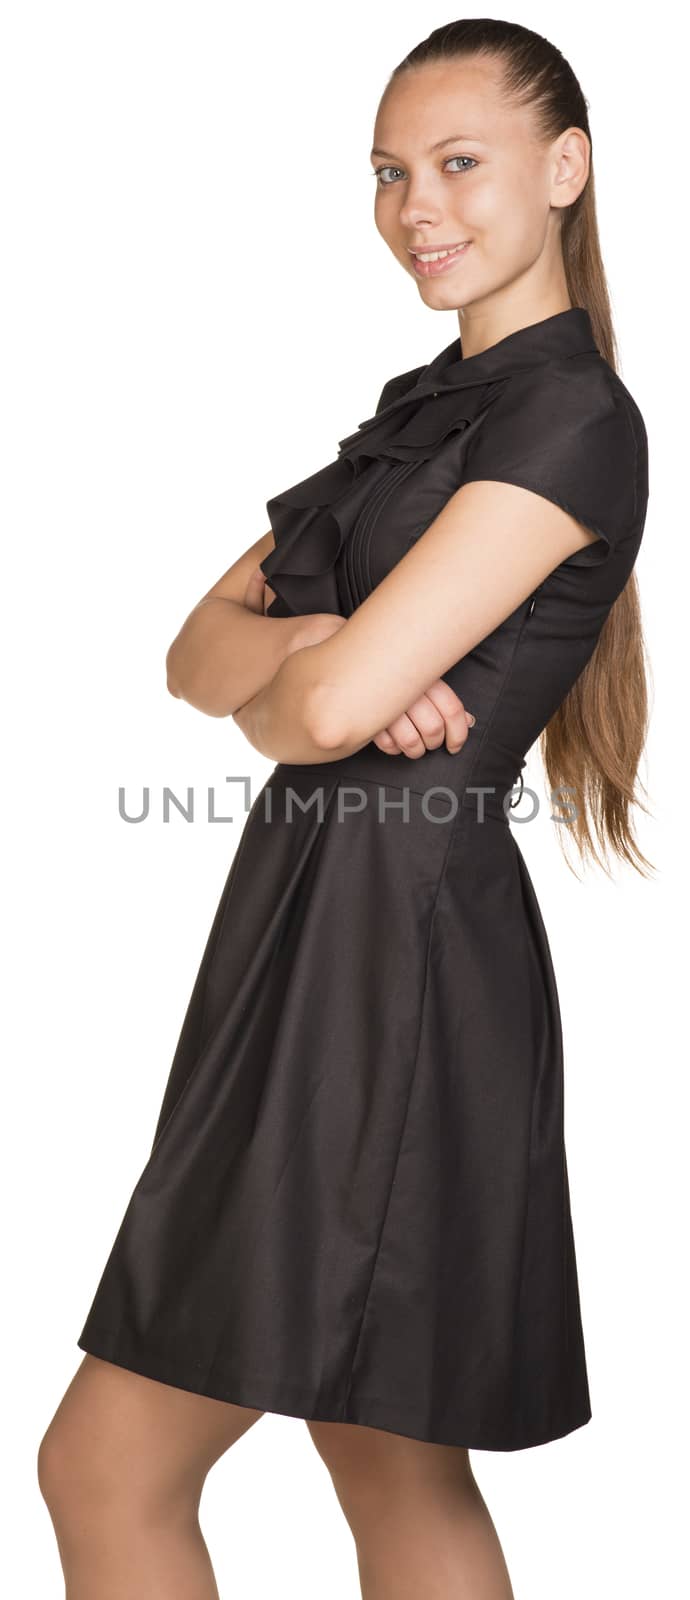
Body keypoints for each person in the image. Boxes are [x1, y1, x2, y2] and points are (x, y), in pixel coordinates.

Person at [37, 19, 652, 1600]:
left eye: (456, 165)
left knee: (110, 1462)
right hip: (317, 934)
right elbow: (196, 657)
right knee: (381, 1443)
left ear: (562, 172)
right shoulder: (421, 410)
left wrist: (310, 683)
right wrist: (322, 650)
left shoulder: (567, 420)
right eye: (388, 173)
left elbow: (298, 718)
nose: (413, 207)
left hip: (391, 964)